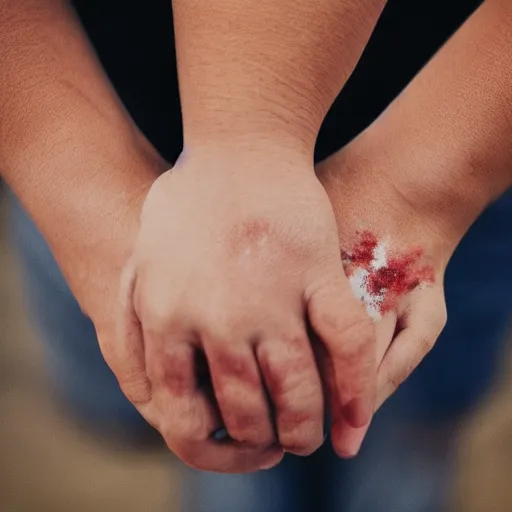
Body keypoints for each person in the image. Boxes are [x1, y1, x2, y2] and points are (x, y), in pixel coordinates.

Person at [2, 0, 511, 508]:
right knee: (182, 405)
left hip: (456, 153)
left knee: (408, 411)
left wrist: (425, 191)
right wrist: (85, 198)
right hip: (85, 151)